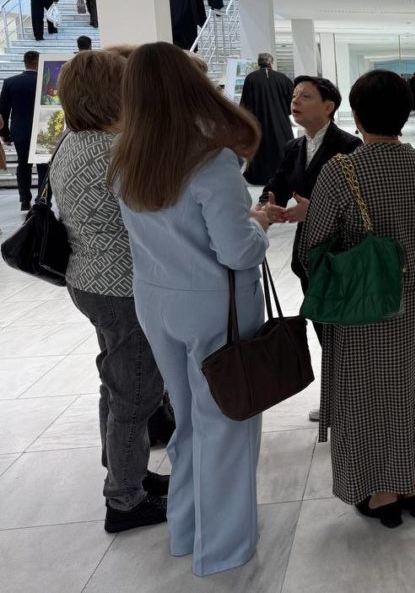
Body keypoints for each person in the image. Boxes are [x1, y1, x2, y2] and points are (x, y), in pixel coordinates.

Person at [110, 41, 270, 577]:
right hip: (215, 307)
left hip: (156, 300)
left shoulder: (126, 157)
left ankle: (187, 530)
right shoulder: (209, 160)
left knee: (187, 421)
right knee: (227, 422)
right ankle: (223, 548)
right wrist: (260, 225)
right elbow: (237, 251)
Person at [299, 69, 415, 527]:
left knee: (368, 394)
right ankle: (413, 485)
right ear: (405, 115)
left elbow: (313, 246)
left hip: (366, 300)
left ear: (355, 117)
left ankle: (381, 494)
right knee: (414, 386)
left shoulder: (343, 170)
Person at [49, 50, 170, 533]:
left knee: (116, 381)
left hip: (87, 280)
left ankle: (127, 473)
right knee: (136, 393)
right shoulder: (117, 150)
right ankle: (124, 499)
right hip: (122, 287)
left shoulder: (71, 142)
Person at [258, 75, 360, 422]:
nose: (295, 101)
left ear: (329, 107)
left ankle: (349, 400)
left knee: (344, 332)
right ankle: (334, 399)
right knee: (321, 328)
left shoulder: (349, 147)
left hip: (341, 256)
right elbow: (276, 183)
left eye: (305, 96)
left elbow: (355, 204)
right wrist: (268, 203)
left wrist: (312, 209)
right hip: (308, 257)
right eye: (294, 96)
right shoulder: (294, 147)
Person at [0, 51, 49, 210]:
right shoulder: (46, 82)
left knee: (23, 165)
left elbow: (3, 111)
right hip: (43, 131)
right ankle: (43, 200)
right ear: (38, 62)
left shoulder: (10, 82)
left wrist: (5, 134)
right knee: (43, 167)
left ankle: (24, 200)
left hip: (20, 131)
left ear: (25, 62)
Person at [239, 53, 294, 185]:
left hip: (258, 122)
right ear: (270, 62)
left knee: (260, 147)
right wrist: (284, 112)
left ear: (259, 63)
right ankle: (283, 176)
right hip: (280, 122)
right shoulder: (282, 78)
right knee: (282, 146)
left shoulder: (251, 78)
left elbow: (245, 103)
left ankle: (261, 176)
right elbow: (292, 101)